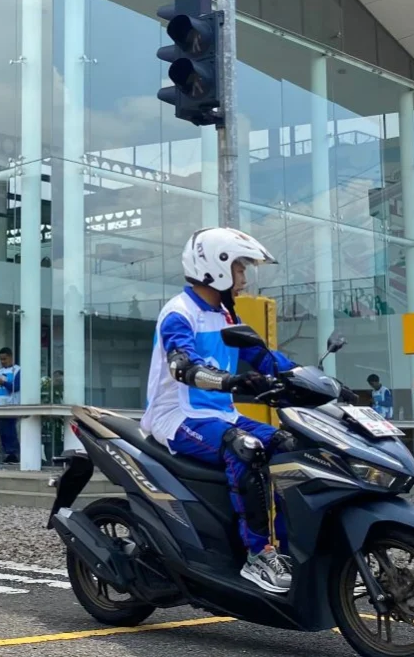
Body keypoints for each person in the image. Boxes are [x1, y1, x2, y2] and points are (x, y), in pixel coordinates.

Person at [142, 227, 300, 594]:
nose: (244, 277)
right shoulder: (178, 314)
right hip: (178, 416)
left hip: (219, 415)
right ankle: (258, 556)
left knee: (290, 447)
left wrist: (311, 379)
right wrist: (230, 383)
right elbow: (184, 365)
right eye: (241, 268)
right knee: (247, 449)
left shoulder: (226, 315)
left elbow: (263, 357)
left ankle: (294, 552)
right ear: (218, 267)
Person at [0, 347, 20, 464]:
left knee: (10, 431)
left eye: (5, 359)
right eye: (1, 359)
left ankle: (14, 453)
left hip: (11, 404)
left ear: (11, 357)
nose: (3, 361)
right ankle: (7, 453)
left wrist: (3, 383)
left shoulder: (18, 370)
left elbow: (16, 386)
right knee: (2, 431)